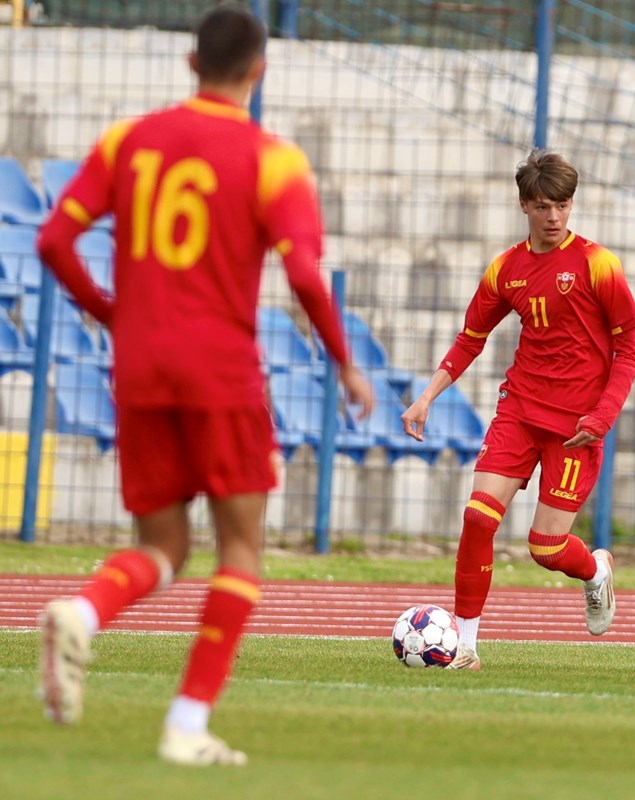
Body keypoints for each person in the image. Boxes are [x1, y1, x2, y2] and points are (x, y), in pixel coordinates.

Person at [35, 5, 374, 765]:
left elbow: (54, 239)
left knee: (162, 545)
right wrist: (344, 360)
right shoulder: (275, 162)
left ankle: (84, 613)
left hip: (140, 365)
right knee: (241, 549)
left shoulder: (128, 141)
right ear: (259, 69)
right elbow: (302, 273)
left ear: (191, 64)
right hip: (220, 370)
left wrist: (109, 312)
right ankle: (186, 725)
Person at [401, 149, 635, 670]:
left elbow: (629, 349)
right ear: (524, 206)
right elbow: (471, 337)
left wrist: (602, 417)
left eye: (562, 205)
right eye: (542, 206)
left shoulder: (598, 265)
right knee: (477, 517)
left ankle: (595, 570)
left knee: (546, 548)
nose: (554, 217)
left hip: (576, 427)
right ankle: (465, 646)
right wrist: (427, 396)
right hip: (520, 410)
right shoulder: (505, 269)